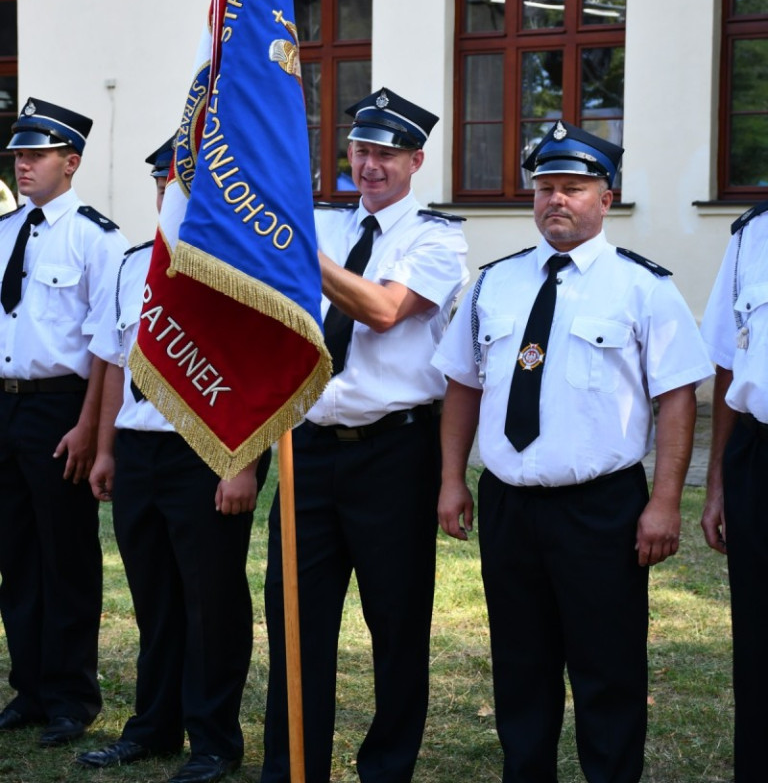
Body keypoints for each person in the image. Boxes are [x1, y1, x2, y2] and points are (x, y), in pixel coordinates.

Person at [433, 120, 713, 783]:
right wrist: (451, 479)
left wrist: (665, 501)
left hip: (601, 510)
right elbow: (462, 386)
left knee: (608, 671)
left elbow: (678, 398)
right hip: (509, 507)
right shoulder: (492, 285)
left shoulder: (644, 288)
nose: (556, 199)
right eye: (545, 187)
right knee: (520, 667)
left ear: (606, 197)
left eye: (574, 188)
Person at [261, 87, 468, 783]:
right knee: (296, 625)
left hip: (394, 454)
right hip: (310, 448)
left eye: (385, 152)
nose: (369, 165)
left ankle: (387, 770)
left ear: (416, 160)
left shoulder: (438, 237)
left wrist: (298, 249)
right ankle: (293, 768)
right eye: (360, 149)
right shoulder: (319, 220)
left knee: (396, 626)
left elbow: (382, 310)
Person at [77, 138, 270, 783]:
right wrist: (106, 449)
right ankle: (153, 727)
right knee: (154, 597)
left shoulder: (239, 267)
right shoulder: (132, 265)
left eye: (185, 184)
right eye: (165, 183)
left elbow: (260, 374)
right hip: (138, 448)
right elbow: (112, 364)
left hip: (209, 451)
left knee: (210, 599)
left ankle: (213, 741)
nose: (171, 193)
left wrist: (241, 462)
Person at [0, 98, 128, 747]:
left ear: (71, 161)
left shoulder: (97, 237)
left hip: (61, 406)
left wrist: (87, 429)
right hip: (5, 403)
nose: (23, 164)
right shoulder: (1, 232)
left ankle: (72, 697)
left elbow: (107, 345)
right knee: (16, 553)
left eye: (38, 154)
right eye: (19, 154)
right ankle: (29, 687)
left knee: (66, 553)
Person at [699, 201, 768, 783]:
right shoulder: (752, 236)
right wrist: (717, 479)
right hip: (760, 454)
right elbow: (727, 361)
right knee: (758, 638)